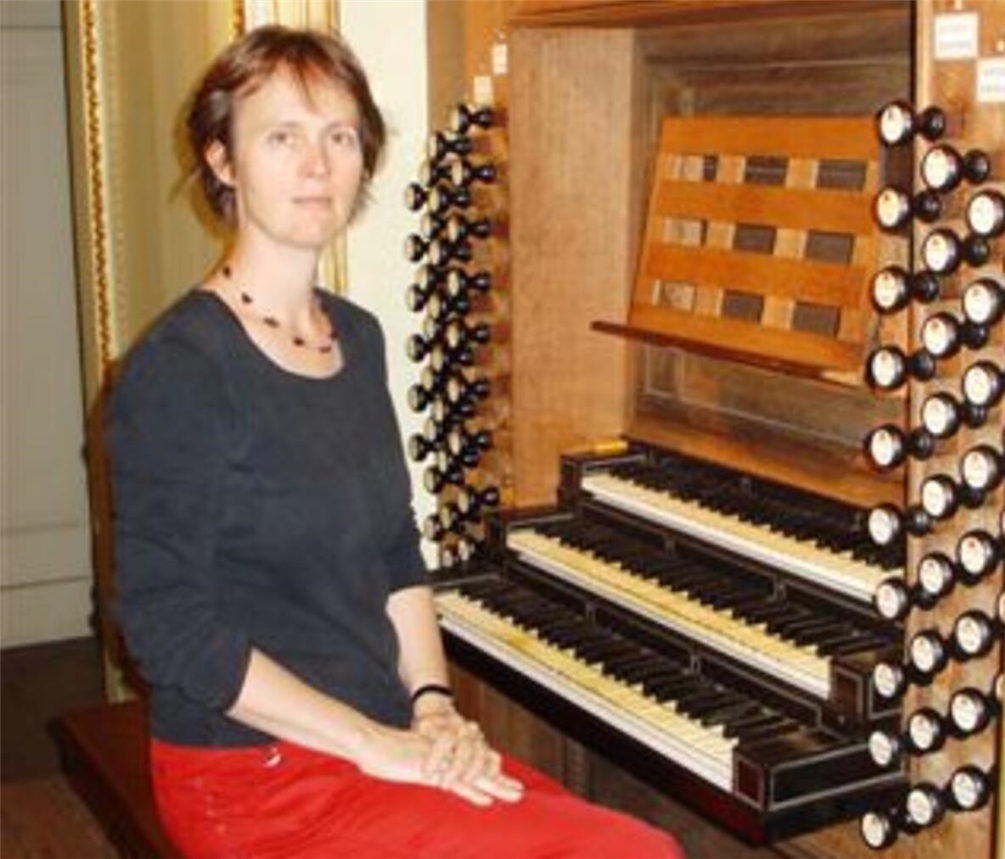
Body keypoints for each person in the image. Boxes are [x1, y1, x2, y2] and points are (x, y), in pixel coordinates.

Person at [106, 24, 682, 859]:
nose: (317, 165)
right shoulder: (180, 368)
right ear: (222, 160)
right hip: (252, 773)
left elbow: (393, 551)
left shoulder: (356, 336)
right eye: (282, 137)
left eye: (340, 136)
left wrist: (433, 706)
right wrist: (377, 745)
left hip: (376, 733)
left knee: (625, 840)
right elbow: (168, 628)